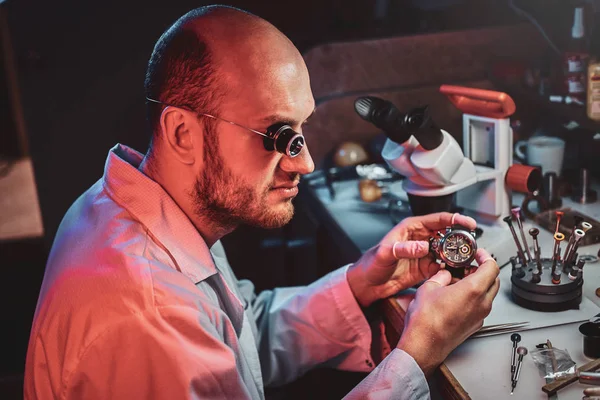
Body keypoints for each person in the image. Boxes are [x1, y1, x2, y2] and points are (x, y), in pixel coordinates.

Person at [24, 5, 500, 399]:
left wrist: (358, 283)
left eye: (303, 130)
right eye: (280, 135)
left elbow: (236, 341)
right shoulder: (146, 315)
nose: (306, 163)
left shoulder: (140, 210)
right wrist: (418, 355)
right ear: (182, 133)